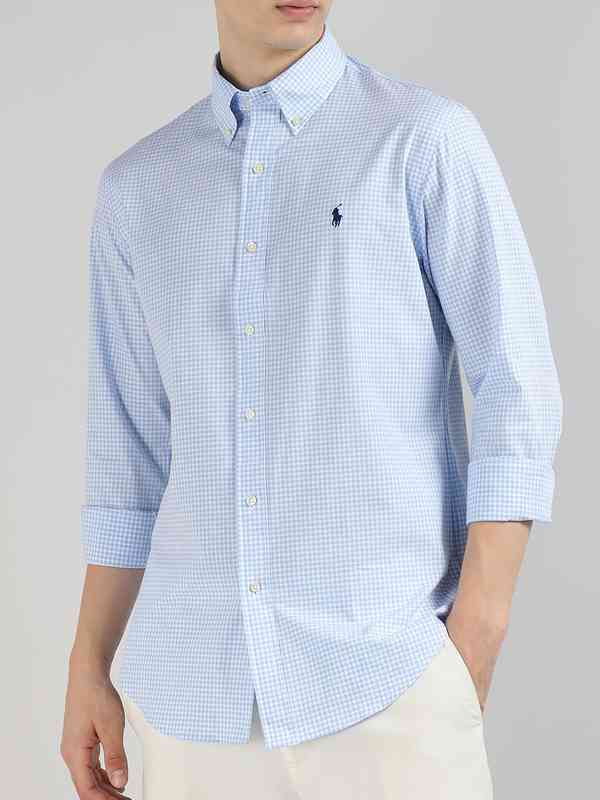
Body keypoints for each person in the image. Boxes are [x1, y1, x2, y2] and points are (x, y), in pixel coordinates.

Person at [60, 1, 563, 798]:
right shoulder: (139, 191)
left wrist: (475, 638)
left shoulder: (422, 139)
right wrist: (88, 664)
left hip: (388, 689)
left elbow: (516, 380)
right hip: (194, 715)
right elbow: (130, 459)